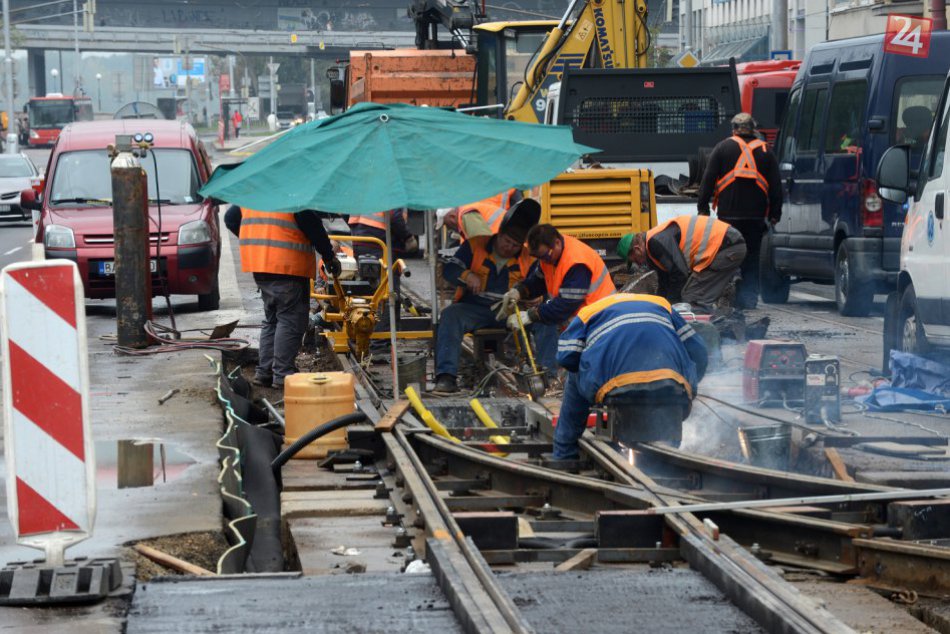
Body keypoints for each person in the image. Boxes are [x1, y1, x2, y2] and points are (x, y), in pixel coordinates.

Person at [553, 293, 708, 459]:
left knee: (574, 375)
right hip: (670, 385)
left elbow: (566, 358)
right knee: (666, 438)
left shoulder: (588, 312)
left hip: (614, 385)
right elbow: (699, 351)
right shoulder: (662, 304)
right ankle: (664, 458)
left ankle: (565, 452)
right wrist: (689, 387)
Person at [433, 200, 557, 394]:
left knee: (547, 321)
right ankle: (446, 378)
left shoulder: (527, 258)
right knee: (450, 315)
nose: (509, 248)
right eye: (506, 241)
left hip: (512, 312)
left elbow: (541, 284)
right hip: (477, 310)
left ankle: (548, 378)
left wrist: (538, 298)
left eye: (515, 245)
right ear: (498, 235)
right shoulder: (475, 245)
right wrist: (467, 276)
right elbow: (449, 269)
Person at [224, 205, 341, 389]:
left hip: (261, 266)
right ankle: (283, 374)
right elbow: (314, 227)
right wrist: (328, 256)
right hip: (287, 267)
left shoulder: (254, 191)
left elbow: (230, 218)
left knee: (272, 320)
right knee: (290, 320)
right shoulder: (293, 193)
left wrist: (258, 243)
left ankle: (265, 372)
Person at [697, 112, 782, 310]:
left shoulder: (722, 148)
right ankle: (749, 298)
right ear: (753, 129)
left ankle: (728, 293)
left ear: (734, 129)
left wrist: (703, 209)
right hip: (755, 217)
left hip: (727, 217)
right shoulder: (765, 151)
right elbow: (777, 187)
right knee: (751, 257)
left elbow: (707, 181)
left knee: (727, 255)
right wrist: (774, 215)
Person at [495, 223, 615, 332]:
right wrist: (519, 291)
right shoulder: (549, 255)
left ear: (557, 243)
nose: (543, 261)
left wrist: (531, 315)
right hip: (584, 323)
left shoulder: (577, 263)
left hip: (599, 322)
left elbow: (566, 304)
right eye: (538, 257)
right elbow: (538, 281)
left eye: (545, 257)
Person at [617, 215, 746, 311]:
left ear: (637, 249)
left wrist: (672, 307)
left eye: (635, 260)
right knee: (689, 298)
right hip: (726, 246)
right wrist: (660, 306)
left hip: (726, 246)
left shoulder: (655, 242)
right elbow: (665, 282)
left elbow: (679, 273)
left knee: (692, 299)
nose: (638, 265)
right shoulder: (653, 246)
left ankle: (705, 337)